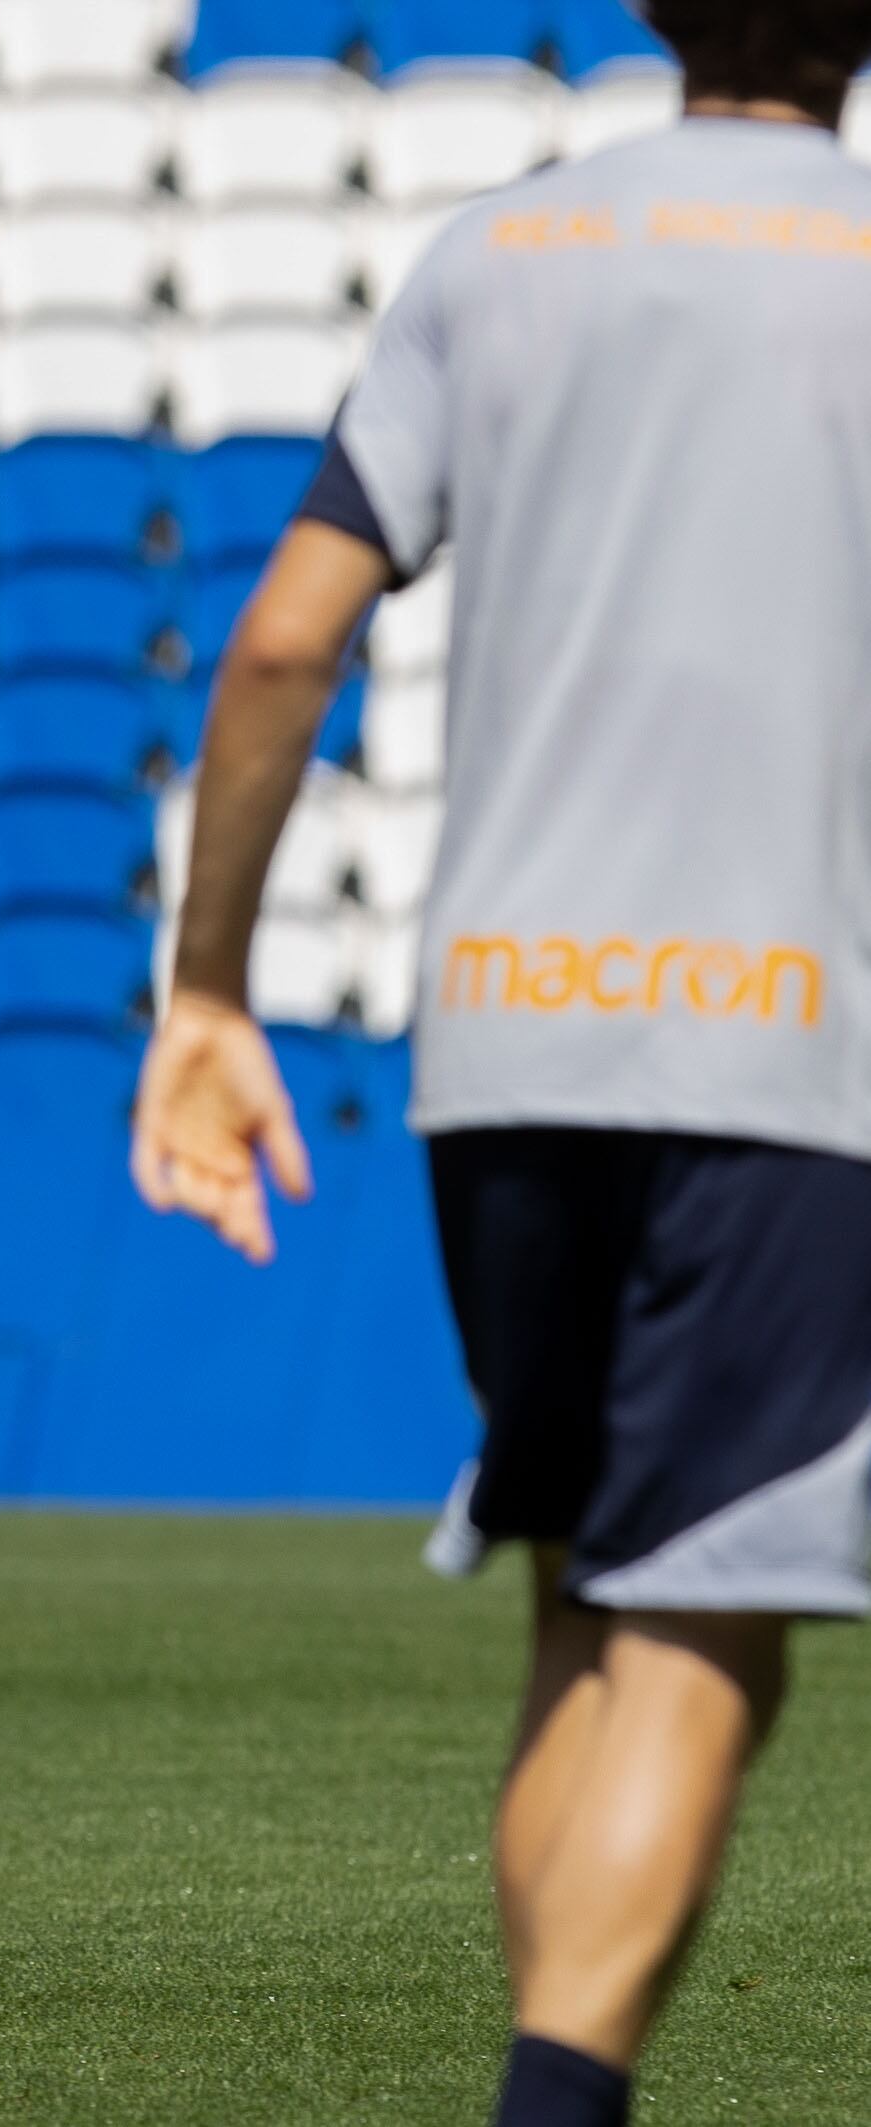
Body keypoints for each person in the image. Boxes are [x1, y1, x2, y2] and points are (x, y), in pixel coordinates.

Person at [128, 8, 871, 2121]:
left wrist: (206, 991)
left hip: (504, 1050)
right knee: (708, 1631)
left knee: (587, 1599)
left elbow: (283, 639)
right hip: (788, 1054)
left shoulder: (498, 254)